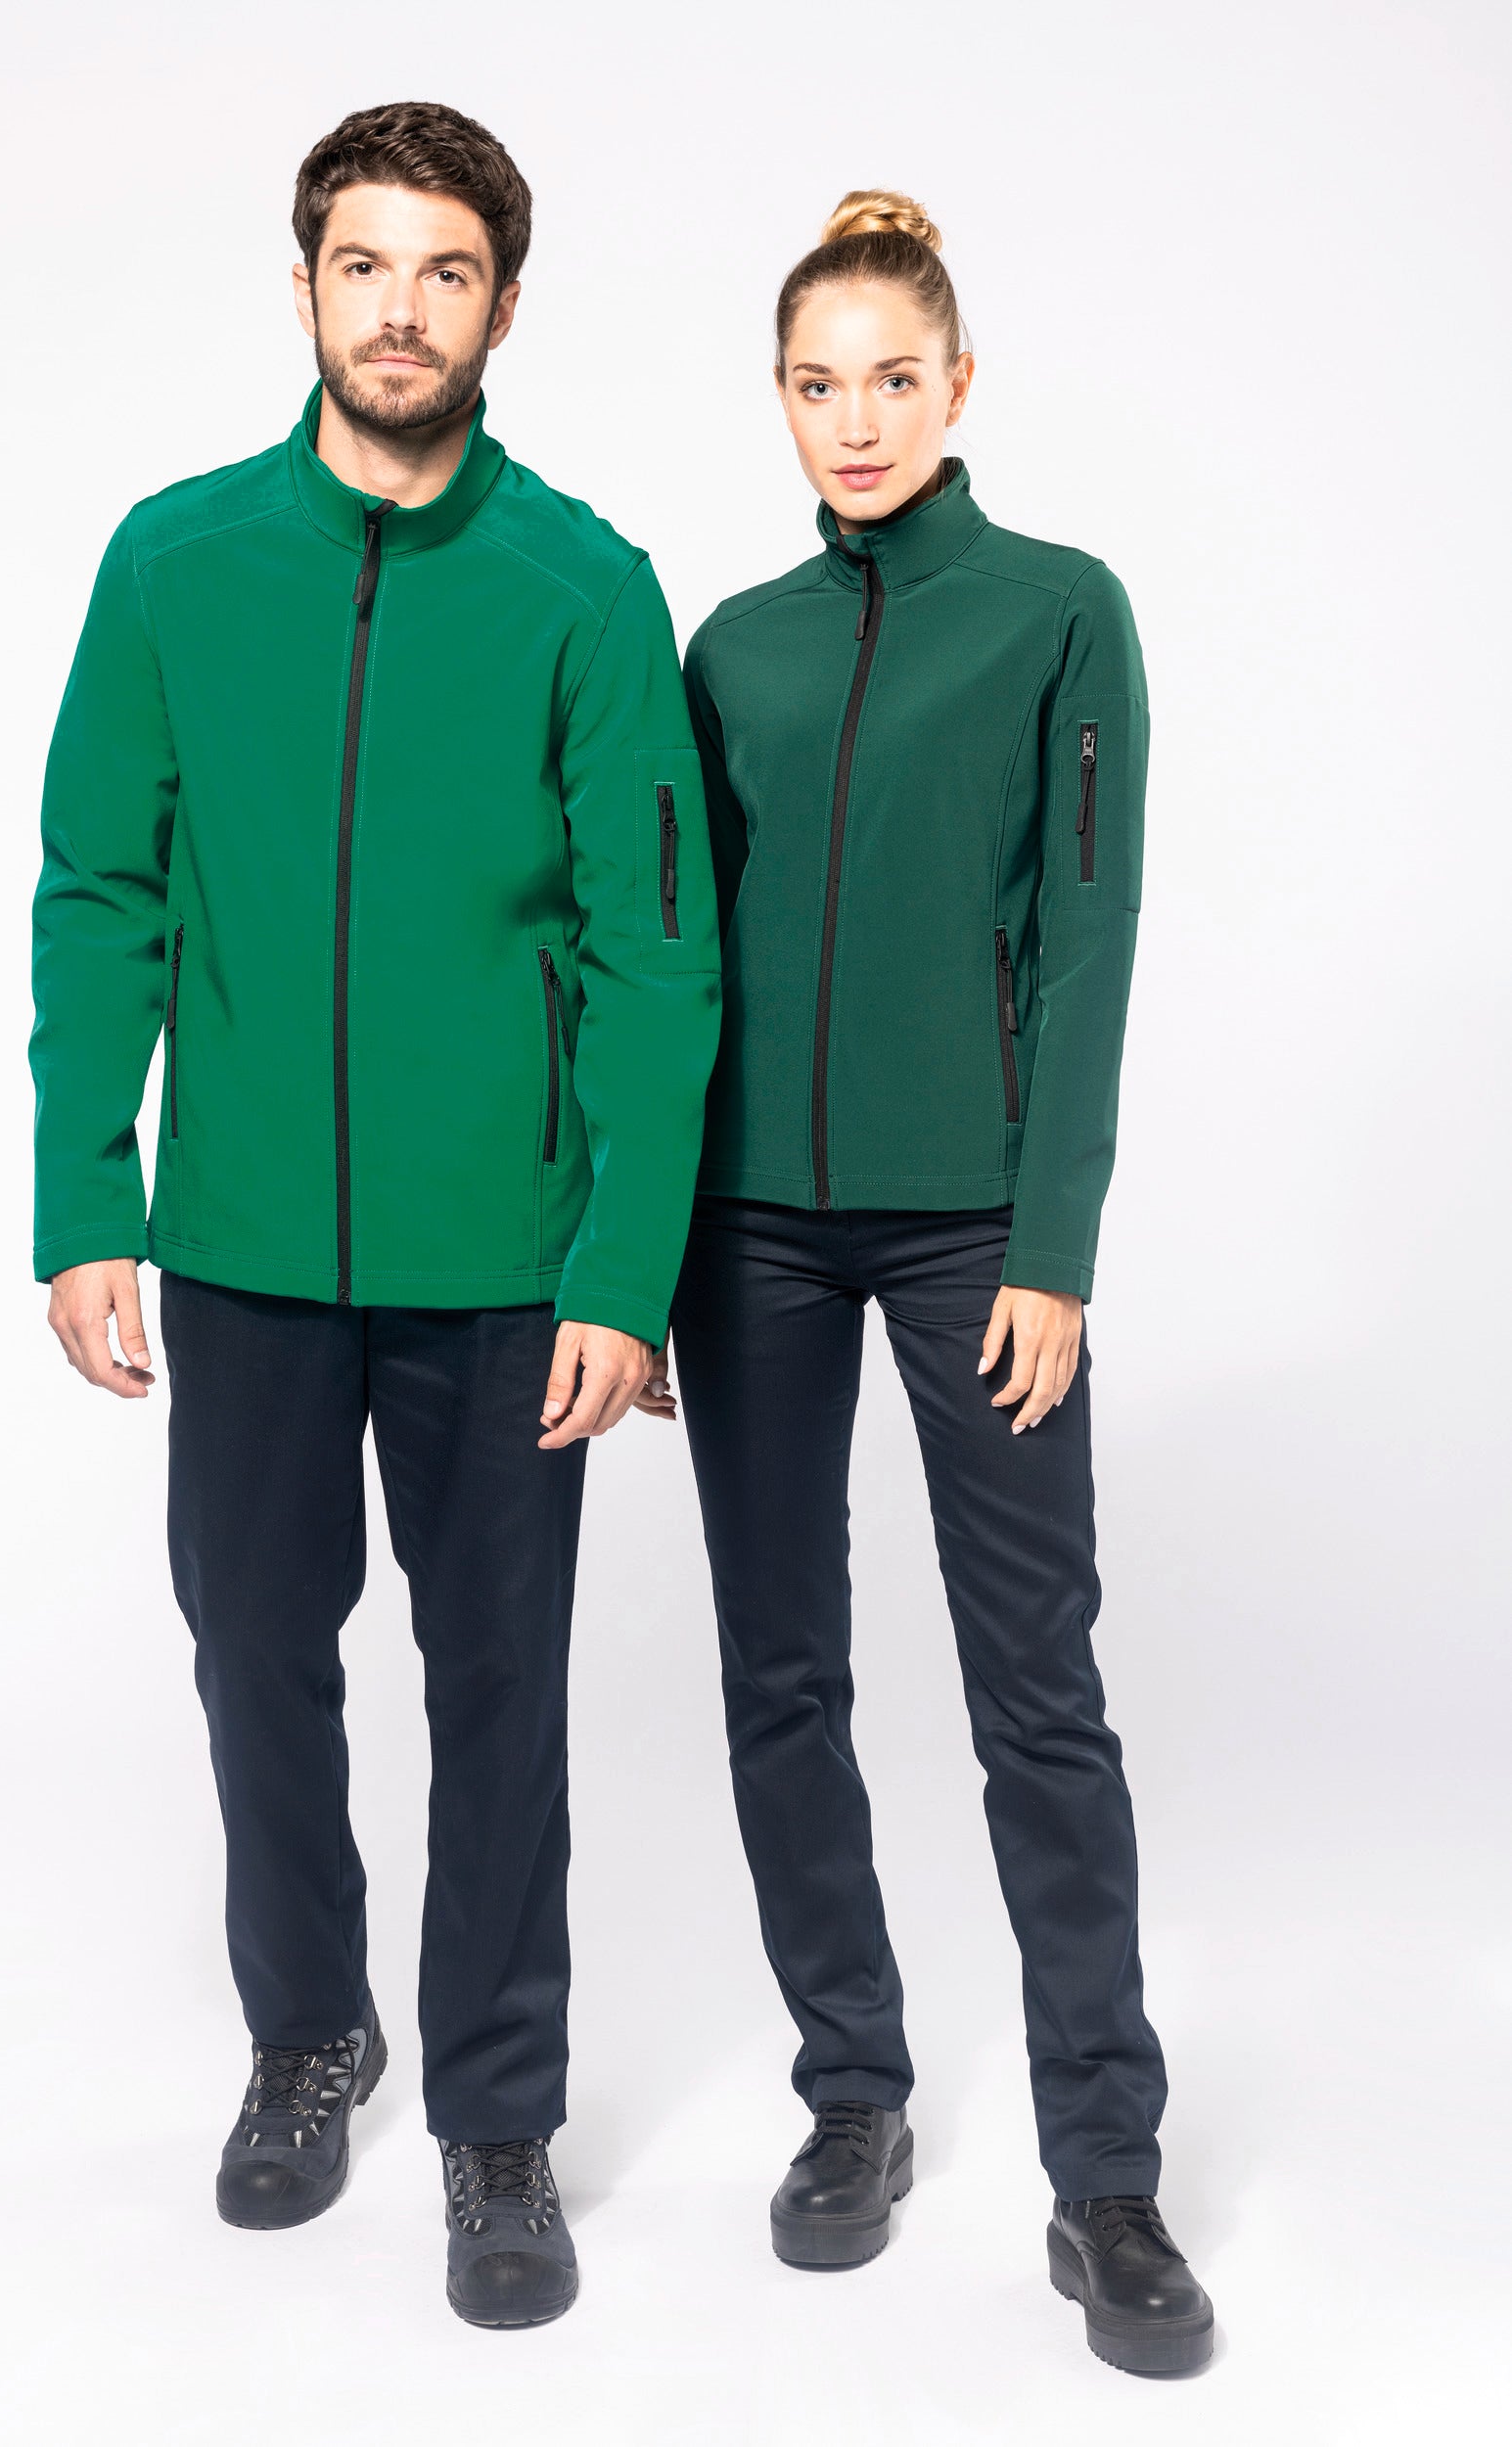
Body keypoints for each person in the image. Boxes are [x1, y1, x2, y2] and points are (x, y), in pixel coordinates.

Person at [29, 99, 719, 2332]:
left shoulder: (583, 589)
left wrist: (622, 1265)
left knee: (498, 1680)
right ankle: (309, 2030)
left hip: (502, 1262)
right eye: (364, 264)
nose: (400, 309)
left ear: (502, 306)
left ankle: (496, 2112)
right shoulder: (173, 561)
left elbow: (654, 953)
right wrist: (83, 1190)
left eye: (444, 272)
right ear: (306, 283)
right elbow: (101, 890)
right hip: (238, 1247)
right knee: (253, 1651)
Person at [641, 191, 1214, 2377]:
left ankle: (1106, 2172)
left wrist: (1051, 1246)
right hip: (748, 1236)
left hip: (974, 1224)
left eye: (893, 378)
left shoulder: (1059, 613)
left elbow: (1086, 939)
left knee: (1033, 1688)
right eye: (817, 384)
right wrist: (643, 1247)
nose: (856, 419)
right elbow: (674, 968)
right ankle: (850, 2093)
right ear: (778, 402)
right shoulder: (733, 648)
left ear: (958, 385)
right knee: (778, 1675)